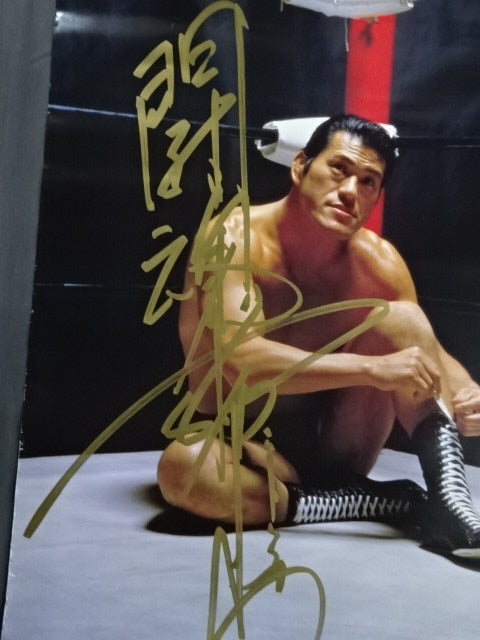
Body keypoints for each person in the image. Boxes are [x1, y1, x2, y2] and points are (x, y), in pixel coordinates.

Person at [158, 114, 480, 558]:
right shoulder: (233, 240)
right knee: (184, 468)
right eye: (339, 170)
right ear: (299, 167)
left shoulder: (379, 264)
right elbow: (240, 364)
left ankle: (451, 505)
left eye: (368, 182)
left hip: (336, 451)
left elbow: (425, 352)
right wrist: (371, 369)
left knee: (404, 318)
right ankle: (352, 502)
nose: (350, 191)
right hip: (240, 449)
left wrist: (468, 394)